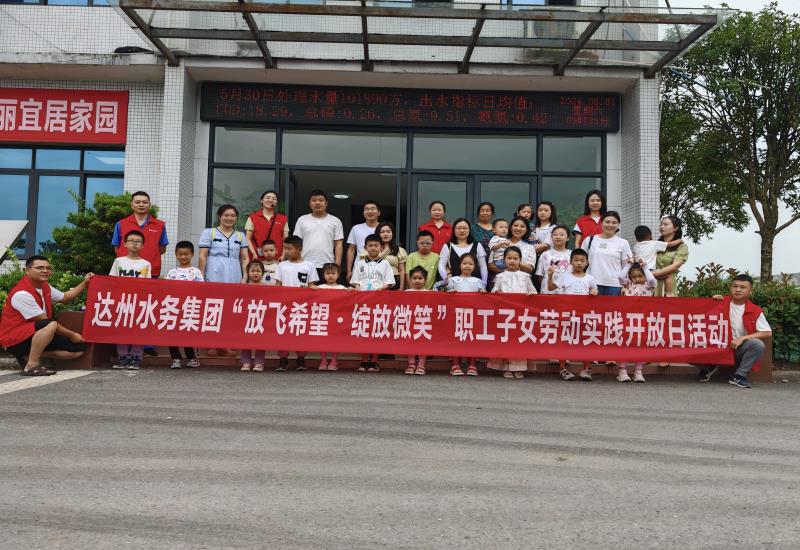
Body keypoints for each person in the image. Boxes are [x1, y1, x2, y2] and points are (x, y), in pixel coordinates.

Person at [0, 256, 92, 376]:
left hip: (37, 335)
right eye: (40, 268)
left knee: (78, 349)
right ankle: (32, 365)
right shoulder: (22, 294)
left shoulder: (44, 286)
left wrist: (85, 282)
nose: (45, 271)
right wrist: (72, 335)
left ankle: (26, 356)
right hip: (15, 341)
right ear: (27, 270)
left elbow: (65, 297)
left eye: (48, 268)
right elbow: (44, 321)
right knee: (50, 323)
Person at [698, 274, 772, 388]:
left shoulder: (754, 310)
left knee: (757, 344)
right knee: (684, 345)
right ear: (730, 288)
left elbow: (767, 332)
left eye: (742, 287)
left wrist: (742, 338)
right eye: (735, 286)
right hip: (713, 346)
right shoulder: (720, 302)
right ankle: (708, 366)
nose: (737, 290)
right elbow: (700, 319)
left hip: (735, 349)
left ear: (750, 291)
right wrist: (710, 303)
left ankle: (739, 376)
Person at [547, 249, 598, 381]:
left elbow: (595, 290)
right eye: (576, 260)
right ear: (571, 262)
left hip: (583, 314)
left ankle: (586, 369)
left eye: (582, 260)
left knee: (585, 340)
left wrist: (594, 292)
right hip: (568, 314)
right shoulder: (565, 276)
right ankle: (562, 368)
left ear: (587, 262)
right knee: (565, 341)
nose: (579, 263)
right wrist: (550, 275)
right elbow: (551, 288)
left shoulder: (590, 278)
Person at [488, 247, 536, 379]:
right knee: (506, 340)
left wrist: (530, 294)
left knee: (519, 340)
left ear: (520, 260)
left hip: (521, 315)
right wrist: (497, 293)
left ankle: (519, 368)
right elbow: (494, 292)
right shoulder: (499, 277)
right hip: (505, 315)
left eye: (515, 258)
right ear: (504, 260)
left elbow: (533, 292)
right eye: (509, 258)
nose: (512, 261)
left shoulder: (526, 276)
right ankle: (506, 367)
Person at [351, 234, 395, 372]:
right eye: (370, 245)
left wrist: (380, 289)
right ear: (365, 247)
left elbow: (389, 283)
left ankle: (374, 361)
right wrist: (357, 287)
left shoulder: (385, 264)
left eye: (376, 245)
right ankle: (364, 360)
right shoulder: (359, 263)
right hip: (362, 301)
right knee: (363, 329)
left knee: (377, 329)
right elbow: (355, 281)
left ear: (381, 247)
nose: (373, 248)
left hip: (378, 300)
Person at [274, 235, 319, 371]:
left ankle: (301, 358)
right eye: (285, 248)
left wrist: (311, 289)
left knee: (301, 331)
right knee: (283, 331)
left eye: (289, 248)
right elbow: (277, 285)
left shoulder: (309, 266)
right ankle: (283, 358)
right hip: (285, 305)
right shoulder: (282, 265)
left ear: (299, 249)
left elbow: (312, 286)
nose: (286, 251)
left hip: (302, 306)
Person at [109, 230, 152, 370]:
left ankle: (136, 357)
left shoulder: (146, 264)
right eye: (131, 240)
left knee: (138, 328)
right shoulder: (118, 261)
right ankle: (122, 357)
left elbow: (149, 284)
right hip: (121, 300)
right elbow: (112, 280)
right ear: (125, 244)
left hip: (139, 301)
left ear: (143, 245)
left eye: (138, 241)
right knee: (120, 328)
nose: (135, 243)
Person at [615, 261, 657, 383]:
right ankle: (622, 371)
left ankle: (638, 371)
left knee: (640, 344)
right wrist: (628, 265)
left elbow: (652, 279)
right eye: (634, 276)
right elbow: (620, 277)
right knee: (625, 344)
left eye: (640, 276)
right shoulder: (628, 284)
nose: (637, 279)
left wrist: (645, 267)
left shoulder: (649, 286)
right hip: (628, 319)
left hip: (643, 320)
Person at [446, 254, 486, 377]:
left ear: (475, 266)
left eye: (470, 264)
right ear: (460, 265)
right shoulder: (453, 280)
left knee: (472, 339)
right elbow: (446, 295)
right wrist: (450, 292)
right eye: (464, 263)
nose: (467, 266)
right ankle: (455, 364)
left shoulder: (478, 282)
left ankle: (472, 365)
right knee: (456, 339)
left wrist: (483, 293)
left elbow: (483, 297)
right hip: (456, 315)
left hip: (472, 315)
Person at [111, 190, 168, 278]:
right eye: (137, 202)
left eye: (145, 202)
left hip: (150, 271)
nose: (141, 205)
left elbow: (162, 249)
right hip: (125, 271)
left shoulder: (159, 225)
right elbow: (117, 248)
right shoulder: (121, 224)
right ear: (131, 205)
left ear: (149, 205)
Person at [165, 241, 203, 369]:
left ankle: (192, 358)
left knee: (188, 332)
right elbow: (166, 289)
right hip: (174, 308)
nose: (183, 257)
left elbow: (201, 289)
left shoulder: (196, 272)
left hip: (190, 307)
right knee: (172, 333)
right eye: (180, 254)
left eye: (186, 254)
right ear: (176, 255)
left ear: (192, 254)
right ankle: (175, 358)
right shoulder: (172, 272)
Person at [293, 189, 344, 281]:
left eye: (321, 200)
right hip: (305, 263)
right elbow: (297, 243)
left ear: (326, 203)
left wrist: (337, 264)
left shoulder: (335, 221)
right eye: (314, 200)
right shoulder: (302, 220)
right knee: (304, 289)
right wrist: (296, 262)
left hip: (327, 265)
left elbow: (338, 244)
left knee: (325, 290)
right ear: (309, 203)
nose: (317, 203)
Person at [585, 211, 632, 296]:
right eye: (607, 222)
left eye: (614, 223)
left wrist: (625, 285)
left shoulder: (623, 243)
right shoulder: (590, 240)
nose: (610, 225)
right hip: (592, 284)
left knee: (612, 306)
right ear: (601, 223)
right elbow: (581, 261)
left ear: (618, 225)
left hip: (615, 285)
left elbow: (626, 267)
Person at [198, 204, 249, 284]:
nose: (229, 218)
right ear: (219, 216)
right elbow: (202, 256)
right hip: (213, 271)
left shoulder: (241, 235)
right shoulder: (209, 233)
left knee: (233, 291)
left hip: (235, 272)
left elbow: (245, 258)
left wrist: (245, 276)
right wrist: (201, 276)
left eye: (233, 216)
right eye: (226, 215)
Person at [313, 263, 348, 372]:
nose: (330, 276)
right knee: (322, 340)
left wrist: (351, 291)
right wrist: (310, 288)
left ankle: (334, 360)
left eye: (333, 273)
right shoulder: (319, 287)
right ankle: (323, 360)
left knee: (335, 340)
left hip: (336, 319)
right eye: (327, 273)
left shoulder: (342, 288)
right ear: (323, 275)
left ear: (338, 274)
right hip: (323, 318)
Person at [438, 218, 488, 287]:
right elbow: (441, 265)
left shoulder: (477, 246)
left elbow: (483, 267)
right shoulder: (448, 246)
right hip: (454, 286)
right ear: (453, 230)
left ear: (469, 230)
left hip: (474, 285)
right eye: (458, 228)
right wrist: (447, 280)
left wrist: (484, 284)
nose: (462, 230)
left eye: (465, 228)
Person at [240, 261, 268, 372]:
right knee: (245, 339)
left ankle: (259, 362)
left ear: (263, 273)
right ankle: (246, 362)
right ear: (248, 272)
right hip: (248, 317)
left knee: (260, 340)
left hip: (261, 317)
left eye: (258, 271)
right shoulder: (244, 287)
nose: (255, 273)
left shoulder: (267, 288)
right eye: (252, 271)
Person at [245, 190, 289, 262]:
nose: (270, 200)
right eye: (267, 198)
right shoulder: (252, 217)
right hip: (257, 258)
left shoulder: (283, 219)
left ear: (276, 202)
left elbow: (285, 240)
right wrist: (253, 253)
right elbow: (247, 238)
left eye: (274, 199)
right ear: (261, 201)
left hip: (277, 258)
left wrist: (283, 255)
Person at [652, 216, 689, 297]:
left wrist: (655, 273)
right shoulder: (655, 245)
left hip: (668, 285)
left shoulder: (682, 247)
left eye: (665, 224)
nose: (662, 227)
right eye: (661, 224)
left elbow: (675, 266)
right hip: (651, 285)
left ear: (675, 228)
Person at [346, 200, 381, 281]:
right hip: (360, 268)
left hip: (380, 268)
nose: (370, 211)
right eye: (367, 209)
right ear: (363, 213)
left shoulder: (384, 229)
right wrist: (349, 270)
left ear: (379, 212)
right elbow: (351, 250)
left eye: (373, 209)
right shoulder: (356, 228)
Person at [404, 266, 430, 375]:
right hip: (410, 322)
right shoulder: (406, 292)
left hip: (424, 322)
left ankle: (421, 365)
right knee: (410, 342)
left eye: (420, 278)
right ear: (410, 279)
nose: (417, 281)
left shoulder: (430, 293)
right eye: (414, 278)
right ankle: (411, 364)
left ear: (425, 279)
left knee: (423, 343)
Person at [368, 222, 407, 290]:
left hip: (394, 282)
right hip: (375, 281)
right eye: (382, 232)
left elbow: (401, 270)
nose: (385, 234)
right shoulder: (372, 249)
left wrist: (401, 287)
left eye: (388, 232)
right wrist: (386, 251)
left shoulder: (399, 250)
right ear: (378, 234)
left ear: (392, 233)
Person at [535, 225, 571, 294]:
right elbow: (540, 275)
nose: (558, 237)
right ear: (551, 237)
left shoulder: (571, 255)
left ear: (568, 238)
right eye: (555, 234)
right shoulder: (545, 254)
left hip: (566, 293)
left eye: (561, 235)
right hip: (547, 293)